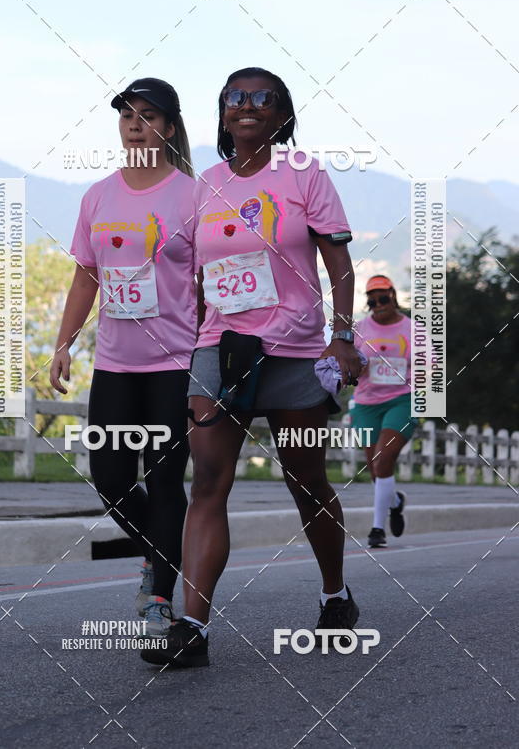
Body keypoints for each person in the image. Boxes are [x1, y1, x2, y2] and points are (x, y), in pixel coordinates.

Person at [141, 66, 363, 668]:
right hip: (219, 349)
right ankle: (192, 627)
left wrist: (342, 336)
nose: (247, 105)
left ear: (281, 113)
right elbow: (185, 277)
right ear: (220, 113)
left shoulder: (303, 174)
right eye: (235, 96)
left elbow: (338, 264)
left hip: (293, 352)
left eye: (262, 97)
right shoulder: (201, 186)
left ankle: (335, 593)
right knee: (209, 482)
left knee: (306, 481)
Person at [50, 77, 197, 634]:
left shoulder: (192, 195)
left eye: (148, 115)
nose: (135, 124)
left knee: (164, 480)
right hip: (114, 362)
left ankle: (160, 594)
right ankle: (159, 552)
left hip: (174, 363)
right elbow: (86, 277)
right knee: (110, 478)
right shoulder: (99, 195)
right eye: (127, 115)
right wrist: (62, 344)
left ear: (170, 127)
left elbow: (208, 284)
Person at [350, 275, 417, 548]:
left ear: (393, 296)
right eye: (373, 300)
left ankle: (377, 528)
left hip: (401, 400)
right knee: (376, 470)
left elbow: (430, 367)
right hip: (366, 404)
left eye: (383, 298)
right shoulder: (359, 329)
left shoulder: (413, 330)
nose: (379, 304)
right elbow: (347, 367)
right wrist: (356, 369)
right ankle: (395, 501)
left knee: (383, 459)